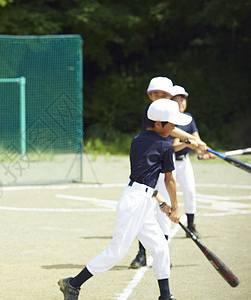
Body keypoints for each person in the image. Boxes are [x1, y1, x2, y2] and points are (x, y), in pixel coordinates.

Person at [58, 98, 191, 300]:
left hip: (139, 199)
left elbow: (144, 179)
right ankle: (73, 284)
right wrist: (175, 208)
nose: (173, 128)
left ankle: (165, 296)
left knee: (160, 247)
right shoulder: (165, 145)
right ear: (158, 124)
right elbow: (169, 179)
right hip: (136, 202)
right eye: (171, 124)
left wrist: (161, 202)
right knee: (116, 252)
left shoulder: (138, 139)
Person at [130, 76, 208, 269]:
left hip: (165, 160)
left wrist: (195, 141)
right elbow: (171, 132)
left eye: (162, 94)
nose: (158, 97)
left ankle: (162, 253)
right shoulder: (150, 112)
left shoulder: (171, 110)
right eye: (154, 94)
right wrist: (192, 140)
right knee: (145, 210)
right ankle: (141, 253)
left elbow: (173, 130)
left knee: (162, 211)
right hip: (149, 166)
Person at [171, 85, 215, 238]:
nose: (181, 103)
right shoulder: (169, 118)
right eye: (177, 100)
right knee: (167, 196)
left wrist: (204, 151)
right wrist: (188, 143)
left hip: (184, 162)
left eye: (183, 100)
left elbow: (197, 140)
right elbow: (175, 147)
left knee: (190, 192)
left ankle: (190, 227)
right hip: (169, 163)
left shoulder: (189, 118)